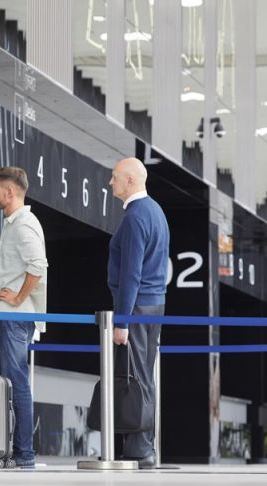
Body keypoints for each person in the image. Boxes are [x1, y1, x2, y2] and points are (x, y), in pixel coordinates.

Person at [107, 157, 170, 469]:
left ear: (130, 180)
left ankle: (141, 448)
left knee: (138, 377)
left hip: (138, 306)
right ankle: (141, 445)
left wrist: (122, 321)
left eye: (115, 177)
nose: (110, 182)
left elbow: (131, 273)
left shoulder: (135, 216)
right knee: (143, 375)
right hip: (153, 304)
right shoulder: (155, 211)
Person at [0, 166, 48, 468]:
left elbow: (38, 265)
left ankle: (24, 453)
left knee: (17, 383)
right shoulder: (14, 223)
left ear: (10, 192)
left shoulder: (23, 225)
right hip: (8, 317)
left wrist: (19, 297)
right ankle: (17, 451)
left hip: (14, 318)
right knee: (12, 383)